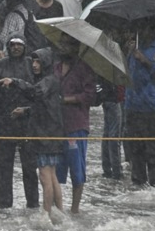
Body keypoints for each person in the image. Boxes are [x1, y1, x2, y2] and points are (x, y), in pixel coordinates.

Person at [7, 48, 64, 220]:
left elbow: (35, 92)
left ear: (46, 63)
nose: (34, 65)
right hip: (51, 133)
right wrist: (25, 110)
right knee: (52, 175)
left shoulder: (48, 81)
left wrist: (15, 82)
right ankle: (59, 213)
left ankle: (46, 215)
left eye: (38, 62)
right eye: (33, 61)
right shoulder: (51, 81)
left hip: (45, 135)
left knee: (45, 176)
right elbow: (45, 108)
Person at [0, 32, 39, 209]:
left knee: (30, 167)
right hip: (4, 121)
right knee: (2, 167)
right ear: (8, 46)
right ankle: (2, 206)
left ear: (24, 47)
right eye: (13, 44)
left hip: (27, 123)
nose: (16, 47)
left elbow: (38, 93)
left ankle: (33, 204)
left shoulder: (32, 65)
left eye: (19, 44)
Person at [54, 33, 97, 214]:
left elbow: (90, 96)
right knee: (57, 168)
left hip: (77, 125)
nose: (64, 47)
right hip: (57, 125)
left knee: (77, 169)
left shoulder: (84, 69)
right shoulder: (55, 67)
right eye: (62, 43)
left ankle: (75, 210)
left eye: (68, 44)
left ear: (76, 47)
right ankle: (58, 209)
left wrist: (68, 99)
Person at [124, 22, 155, 188]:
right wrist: (128, 54)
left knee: (154, 148)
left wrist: (145, 60)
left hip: (150, 106)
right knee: (135, 147)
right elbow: (126, 72)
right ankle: (138, 181)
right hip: (132, 105)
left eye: (142, 27)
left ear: (152, 29)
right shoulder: (135, 48)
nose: (139, 31)